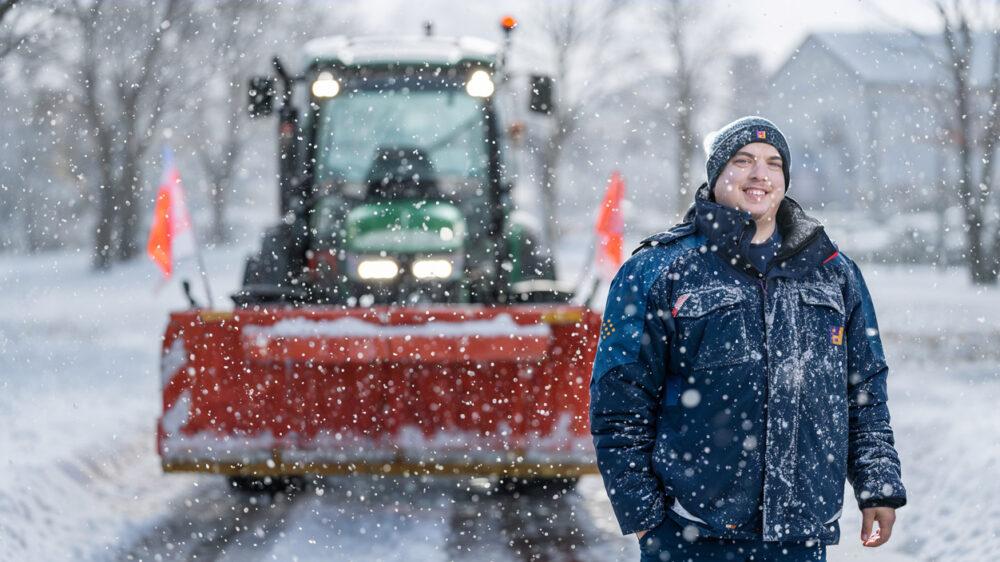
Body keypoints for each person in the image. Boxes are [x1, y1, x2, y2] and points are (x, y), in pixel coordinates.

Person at [589, 116, 906, 561]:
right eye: (743, 160)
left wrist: (878, 485)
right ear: (716, 175)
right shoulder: (659, 272)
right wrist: (646, 520)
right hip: (691, 533)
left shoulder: (833, 272)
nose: (760, 174)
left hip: (800, 534)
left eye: (774, 163)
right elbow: (619, 404)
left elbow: (865, 391)